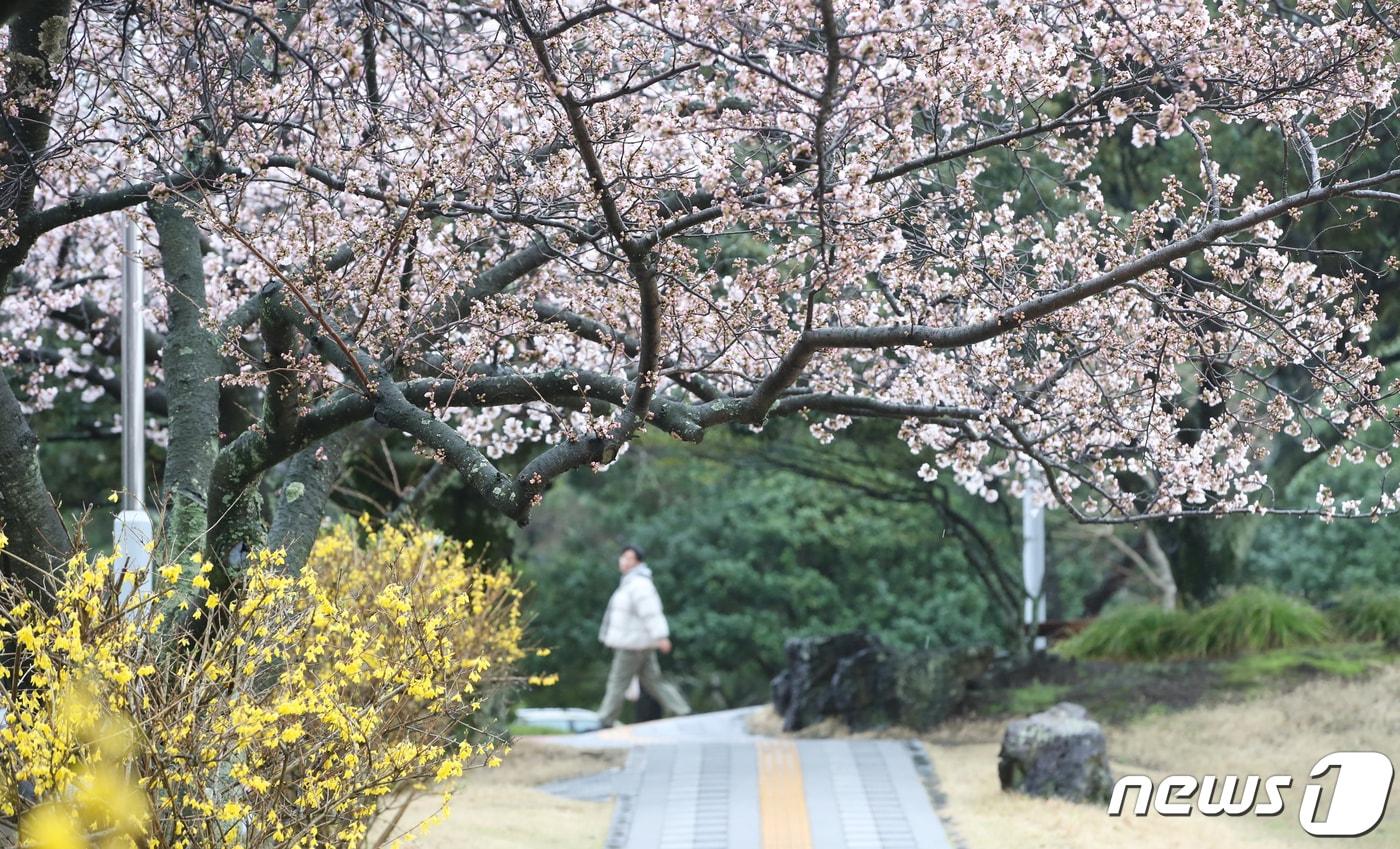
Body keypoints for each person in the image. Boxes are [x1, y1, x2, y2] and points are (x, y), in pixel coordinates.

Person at [596, 544, 691, 727]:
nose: (623, 562)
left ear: (638, 562)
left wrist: (661, 636)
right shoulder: (631, 582)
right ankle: (682, 710)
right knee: (654, 682)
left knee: (618, 682)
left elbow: (651, 612)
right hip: (639, 643)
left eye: (629, 558)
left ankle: (606, 718)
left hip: (632, 644)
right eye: (623, 557)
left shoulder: (638, 584)